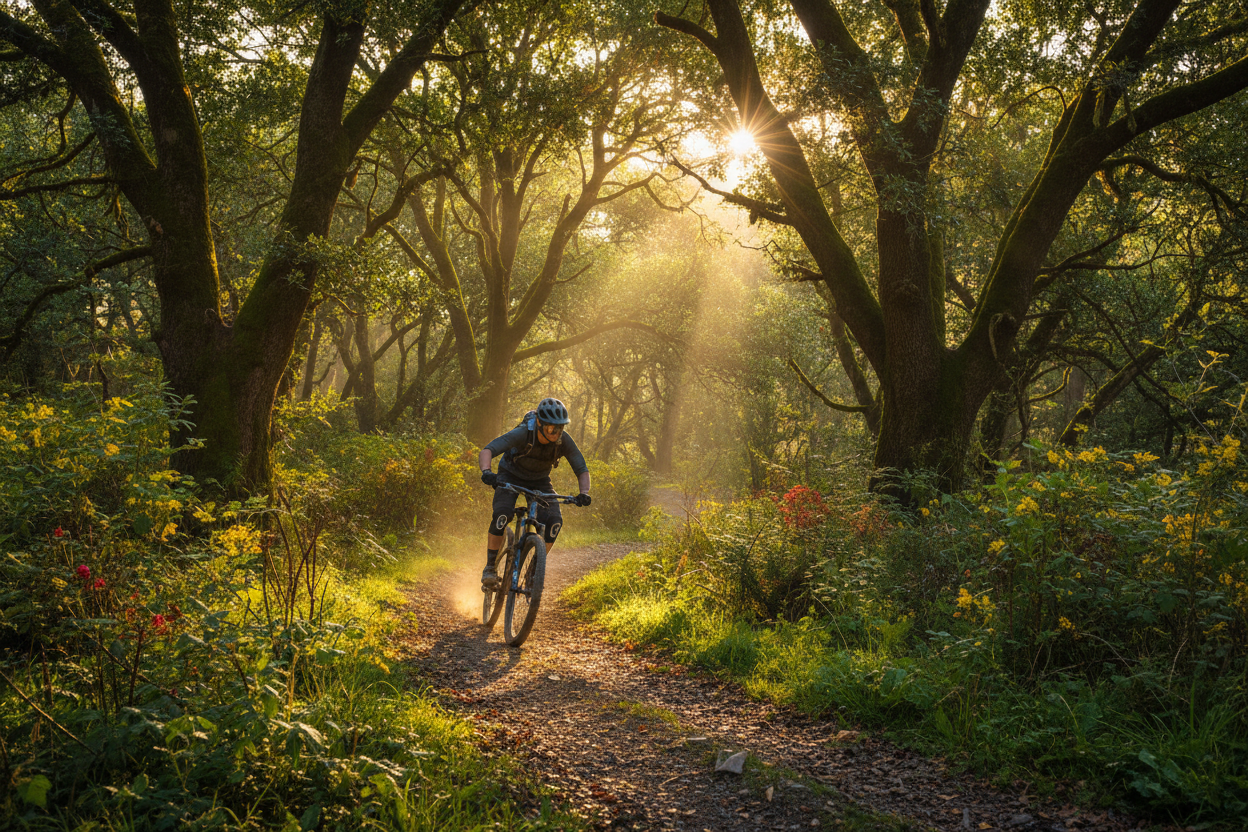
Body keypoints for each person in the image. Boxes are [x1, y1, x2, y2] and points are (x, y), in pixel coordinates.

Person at [478, 397, 591, 589]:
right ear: (539, 423)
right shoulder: (523, 433)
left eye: (559, 428)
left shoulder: (564, 440)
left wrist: (584, 492)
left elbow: (581, 468)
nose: (555, 433)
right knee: (502, 515)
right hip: (509, 475)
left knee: (554, 522)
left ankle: (533, 573)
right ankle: (490, 568)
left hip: (540, 481)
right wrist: (487, 472)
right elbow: (488, 450)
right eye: (550, 428)